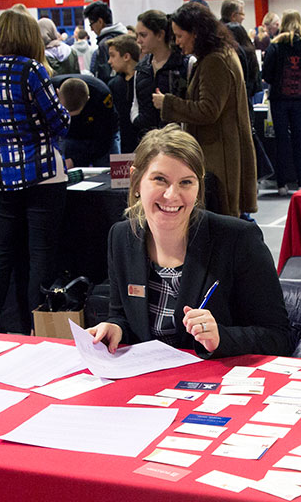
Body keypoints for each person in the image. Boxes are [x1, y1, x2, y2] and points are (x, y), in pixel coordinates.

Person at [89, 125, 290, 357]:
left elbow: (278, 336)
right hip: (147, 381)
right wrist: (115, 328)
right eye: (160, 180)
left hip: (218, 383)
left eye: (186, 182)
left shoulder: (238, 239)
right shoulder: (121, 237)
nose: (172, 195)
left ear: (199, 185)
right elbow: (121, 315)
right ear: (136, 180)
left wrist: (221, 337)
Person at [0, 8, 71, 329]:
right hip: (42, 173)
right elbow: (60, 122)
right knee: (41, 253)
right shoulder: (32, 71)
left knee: (2, 252)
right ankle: (37, 327)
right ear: (30, 38)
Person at [154, 1, 257, 218]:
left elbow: (208, 110)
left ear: (196, 33)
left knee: (223, 219)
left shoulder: (215, 61)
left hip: (219, 157)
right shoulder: (219, 55)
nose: (177, 42)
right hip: (221, 151)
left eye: (180, 35)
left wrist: (168, 104)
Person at [260, 10, 301, 193]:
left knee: (281, 141)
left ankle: (281, 184)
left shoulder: (275, 46)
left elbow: (266, 74)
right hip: (300, 99)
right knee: (299, 140)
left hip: (278, 99)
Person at [132, 8, 188, 140]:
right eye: (137, 35)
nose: (138, 40)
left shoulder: (186, 64)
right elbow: (135, 104)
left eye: (143, 35)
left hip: (179, 143)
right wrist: (137, 120)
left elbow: (194, 105)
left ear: (160, 35)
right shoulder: (141, 68)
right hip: (148, 141)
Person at [54, 71, 118, 166]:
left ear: (88, 99)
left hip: (97, 132)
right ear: (57, 94)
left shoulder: (101, 95)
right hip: (66, 135)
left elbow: (104, 140)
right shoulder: (47, 90)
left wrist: (75, 160)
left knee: (106, 167)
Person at [106, 34, 143, 152]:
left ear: (126, 56)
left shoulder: (144, 80)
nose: (109, 61)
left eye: (112, 56)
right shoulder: (113, 84)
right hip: (123, 145)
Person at [84, 0, 127, 83]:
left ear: (100, 21)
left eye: (91, 24)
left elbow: (105, 75)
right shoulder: (124, 36)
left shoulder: (105, 43)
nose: (91, 29)